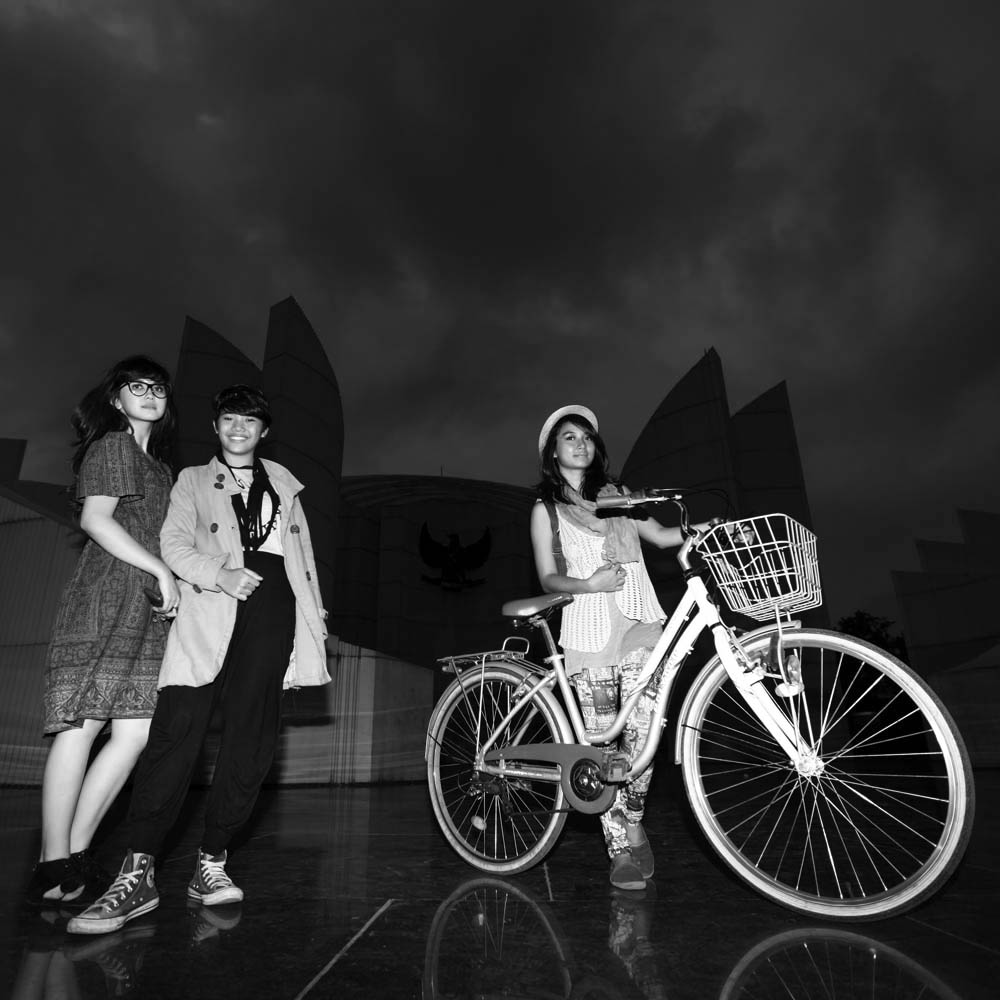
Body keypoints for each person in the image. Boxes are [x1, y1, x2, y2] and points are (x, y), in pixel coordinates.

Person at [68, 384, 330, 935]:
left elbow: (303, 561)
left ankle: (212, 862)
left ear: (264, 431)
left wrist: (312, 622)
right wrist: (220, 575)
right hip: (211, 604)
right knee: (176, 733)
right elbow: (172, 545)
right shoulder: (191, 479)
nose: (239, 428)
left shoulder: (286, 485)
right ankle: (137, 872)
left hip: (273, 611)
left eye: (250, 420)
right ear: (216, 427)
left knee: (251, 739)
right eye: (229, 418)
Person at [530, 405, 709, 892]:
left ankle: (633, 818)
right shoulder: (546, 510)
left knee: (645, 735)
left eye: (586, 436)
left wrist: (703, 528)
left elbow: (660, 535)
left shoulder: (618, 498)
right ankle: (620, 849)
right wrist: (588, 583)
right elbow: (548, 576)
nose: (580, 443)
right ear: (553, 452)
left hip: (639, 621)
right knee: (602, 747)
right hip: (588, 632)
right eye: (569, 437)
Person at [27, 357, 180, 908]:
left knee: (135, 733)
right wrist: (161, 569)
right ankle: (52, 860)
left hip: (147, 609)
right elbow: (95, 519)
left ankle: (76, 851)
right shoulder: (114, 446)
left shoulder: (160, 469)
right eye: (137, 386)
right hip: (106, 594)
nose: (150, 394)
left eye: (158, 388)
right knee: (82, 725)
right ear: (116, 399)